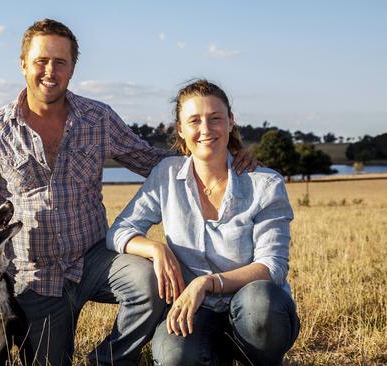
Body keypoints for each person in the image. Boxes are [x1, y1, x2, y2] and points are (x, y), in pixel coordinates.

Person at [0, 19, 257, 366]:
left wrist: (218, 152)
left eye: (60, 62)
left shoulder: (98, 118)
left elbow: (151, 161)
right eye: (41, 61)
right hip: (34, 277)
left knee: (150, 281)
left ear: (73, 68)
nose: (50, 71)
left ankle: (107, 360)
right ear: (23, 64)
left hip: (93, 259)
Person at [107, 79, 300, 366]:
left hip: (251, 310)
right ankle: (215, 354)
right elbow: (119, 231)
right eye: (194, 120)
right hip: (196, 312)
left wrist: (207, 283)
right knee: (174, 356)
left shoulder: (265, 183)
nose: (206, 130)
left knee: (261, 303)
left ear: (231, 122)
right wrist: (155, 249)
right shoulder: (166, 175)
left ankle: (258, 358)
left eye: (216, 119)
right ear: (180, 130)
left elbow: (272, 267)